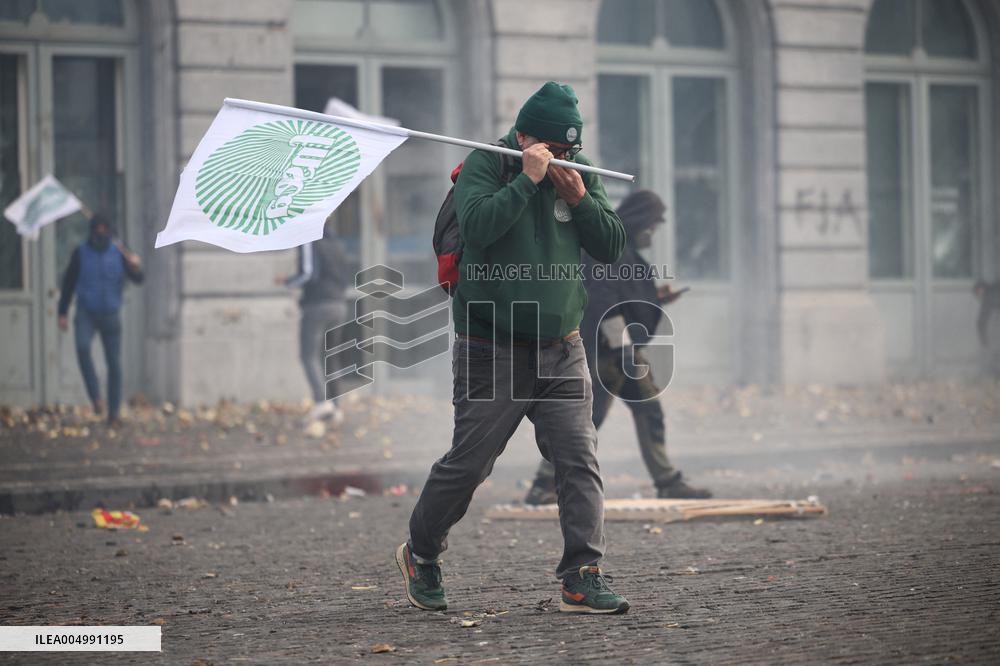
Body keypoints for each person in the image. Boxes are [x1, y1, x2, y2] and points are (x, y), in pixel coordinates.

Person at [396, 81, 631, 615]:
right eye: (552, 149)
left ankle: (582, 575)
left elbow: (613, 245)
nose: (562, 159)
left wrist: (579, 196)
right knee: (470, 464)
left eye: (570, 151)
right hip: (492, 348)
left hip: (563, 347)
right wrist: (527, 180)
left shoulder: (579, 171)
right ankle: (423, 553)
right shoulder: (488, 164)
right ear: (525, 137)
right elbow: (477, 228)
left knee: (579, 460)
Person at [523, 190, 712, 506]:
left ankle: (666, 480)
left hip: (620, 348)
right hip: (606, 351)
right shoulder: (608, 247)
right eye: (655, 223)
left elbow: (624, 297)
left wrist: (655, 299)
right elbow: (604, 303)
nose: (655, 231)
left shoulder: (621, 248)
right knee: (585, 420)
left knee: (647, 409)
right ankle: (544, 484)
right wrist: (624, 349)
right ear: (642, 222)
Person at [57, 215, 143, 425]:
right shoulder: (80, 253)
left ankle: (113, 413)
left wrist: (135, 266)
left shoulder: (120, 250)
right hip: (86, 312)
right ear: (92, 230)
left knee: (114, 364)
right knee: (82, 348)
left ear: (109, 231)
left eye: (105, 229)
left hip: (111, 313)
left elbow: (139, 279)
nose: (101, 233)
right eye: (98, 229)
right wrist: (62, 312)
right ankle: (96, 397)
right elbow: (68, 283)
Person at [280, 214, 351, 427]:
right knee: (330, 358)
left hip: (317, 305)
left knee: (308, 355)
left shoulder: (309, 240)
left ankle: (322, 403)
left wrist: (287, 281)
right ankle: (335, 408)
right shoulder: (337, 243)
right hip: (339, 305)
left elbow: (308, 274)